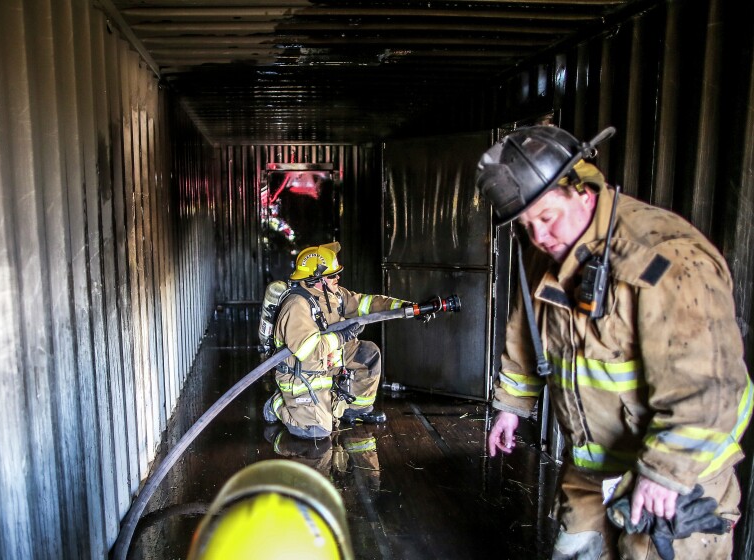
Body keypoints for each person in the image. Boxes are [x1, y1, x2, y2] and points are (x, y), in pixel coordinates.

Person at [476, 125, 753, 559]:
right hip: (592, 475)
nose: (540, 237)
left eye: (546, 217)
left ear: (583, 192)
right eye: (527, 226)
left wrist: (665, 473)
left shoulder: (666, 258)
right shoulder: (548, 252)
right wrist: (512, 406)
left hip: (675, 480)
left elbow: (708, 384)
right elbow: (525, 332)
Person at [263, 241, 409, 439]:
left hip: (328, 360)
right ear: (316, 279)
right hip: (303, 372)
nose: (338, 277)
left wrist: (408, 308)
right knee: (317, 432)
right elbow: (309, 351)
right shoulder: (297, 306)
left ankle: (356, 410)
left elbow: (367, 303)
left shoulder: (334, 295)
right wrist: (341, 337)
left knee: (367, 354)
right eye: (332, 275)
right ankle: (278, 404)